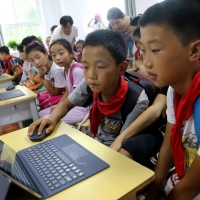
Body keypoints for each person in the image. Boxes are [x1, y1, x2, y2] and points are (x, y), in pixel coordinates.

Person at [28, 30, 163, 170]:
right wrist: (52, 118)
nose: (91, 75)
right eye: (85, 66)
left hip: (117, 153)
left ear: (121, 68)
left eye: (100, 67)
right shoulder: (89, 84)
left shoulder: (136, 100)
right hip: (97, 142)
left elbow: (121, 143)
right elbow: (66, 104)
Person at [138, 0, 200, 199]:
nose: (146, 62)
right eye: (143, 50)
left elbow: (191, 188)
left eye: (155, 50)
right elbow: (168, 145)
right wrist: (153, 193)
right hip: (183, 176)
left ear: (194, 51)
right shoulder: (174, 90)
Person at [39, 39, 88, 125]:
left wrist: (61, 109)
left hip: (81, 109)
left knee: (47, 119)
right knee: (41, 113)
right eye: (54, 55)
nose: (57, 58)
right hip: (71, 106)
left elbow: (78, 98)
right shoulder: (65, 70)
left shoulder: (76, 70)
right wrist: (59, 106)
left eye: (61, 53)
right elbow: (68, 92)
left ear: (71, 54)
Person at [25, 40, 65, 110]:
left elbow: (56, 93)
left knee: (39, 101)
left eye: (38, 57)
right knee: (37, 97)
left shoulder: (56, 70)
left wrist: (42, 79)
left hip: (65, 95)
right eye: (32, 60)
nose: (36, 62)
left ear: (46, 53)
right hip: (58, 93)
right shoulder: (44, 68)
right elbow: (50, 88)